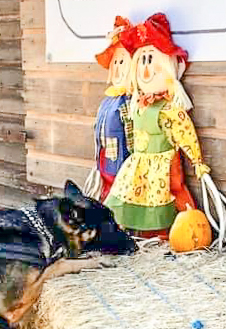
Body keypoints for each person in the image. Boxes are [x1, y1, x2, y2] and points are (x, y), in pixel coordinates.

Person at [105, 13, 206, 239]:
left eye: (152, 60)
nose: (146, 69)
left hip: (164, 162)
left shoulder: (168, 108)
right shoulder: (137, 104)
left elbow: (184, 132)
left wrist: (197, 161)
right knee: (129, 194)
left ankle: (174, 233)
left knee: (168, 195)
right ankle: (137, 233)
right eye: (142, 60)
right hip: (140, 160)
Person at [87, 16, 134, 203]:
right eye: (115, 62)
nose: (116, 67)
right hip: (104, 162)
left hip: (121, 167)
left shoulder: (128, 103)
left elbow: (132, 140)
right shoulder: (109, 100)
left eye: (122, 62)